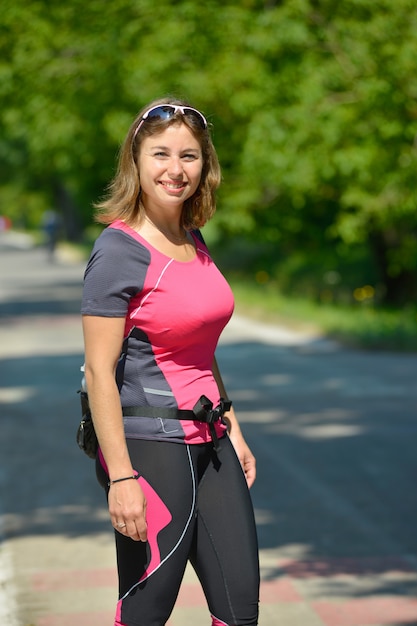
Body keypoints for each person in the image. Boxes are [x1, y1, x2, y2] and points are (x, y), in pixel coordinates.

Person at [81, 97, 260, 626]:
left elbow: (200, 347)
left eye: (189, 156)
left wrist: (234, 426)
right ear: (135, 161)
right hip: (149, 447)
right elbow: (99, 373)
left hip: (212, 440)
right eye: (161, 154)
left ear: (205, 165)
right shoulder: (119, 251)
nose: (175, 169)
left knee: (239, 608)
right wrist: (120, 478)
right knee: (147, 610)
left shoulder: (193, 240)